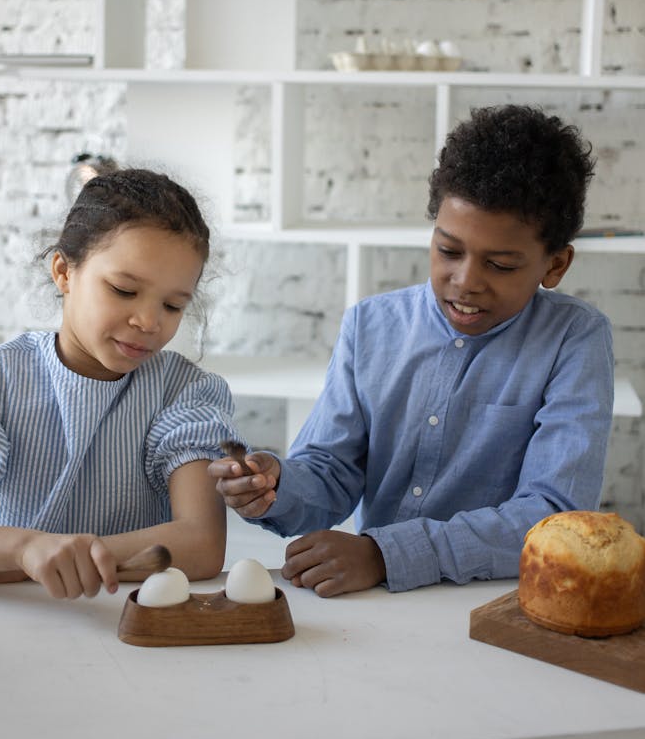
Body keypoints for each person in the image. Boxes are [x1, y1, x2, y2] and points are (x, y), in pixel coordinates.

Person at [209, 104, 615, 598]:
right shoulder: (371, 325)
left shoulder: (575, 339)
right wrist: (277, 486)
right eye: (448, 251)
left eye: (501, 265)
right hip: (378, 601)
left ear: (555, 265)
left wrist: (387, 554)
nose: (466, 282)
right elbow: (332, 472)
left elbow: (553, 515)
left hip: (496, 602)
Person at [0, 168, 240, 600]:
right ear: (63, 271)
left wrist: (25, 563)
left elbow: (202, 544)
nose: (149, 322)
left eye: (173, 305)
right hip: (4, 626)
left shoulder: (182, 392)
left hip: (126, 625)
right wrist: (22, 550)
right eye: (123, 290)